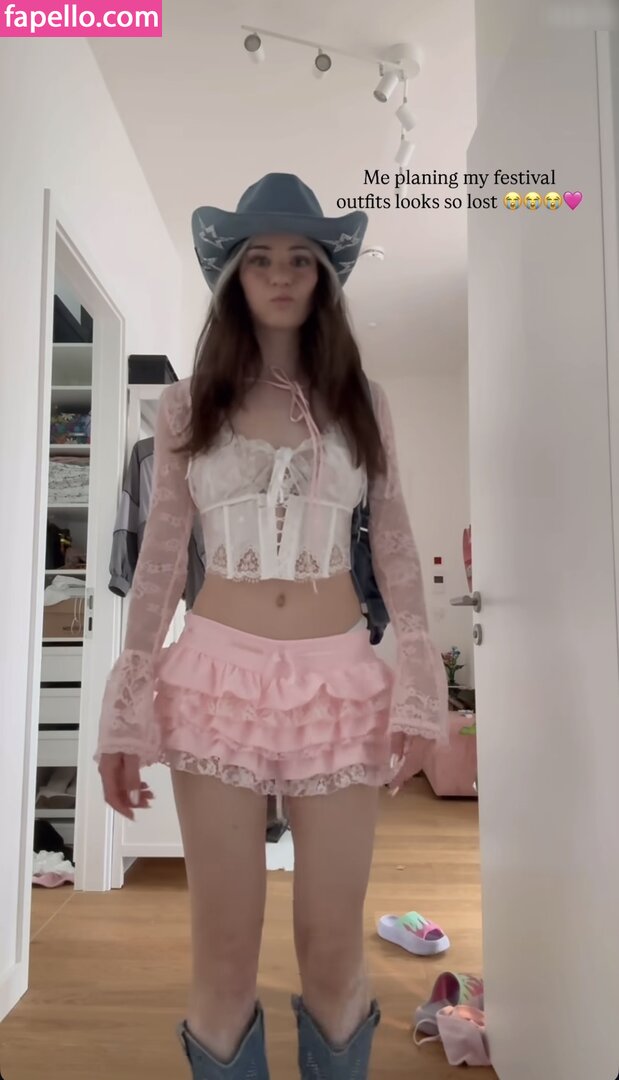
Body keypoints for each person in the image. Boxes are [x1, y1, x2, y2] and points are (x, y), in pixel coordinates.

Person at [95, 173, 448, 1080]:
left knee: (333, 949)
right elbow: (161, 562)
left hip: (339, 682)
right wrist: (125, 708)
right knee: (223, 954)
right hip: (216, 680)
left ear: (324, 277)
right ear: (234, 277)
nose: (282, 275)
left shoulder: (362, 401)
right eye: (261, 259)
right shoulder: (188, 404)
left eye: (300, 259)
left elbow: (396, 545)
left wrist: (418, 678)